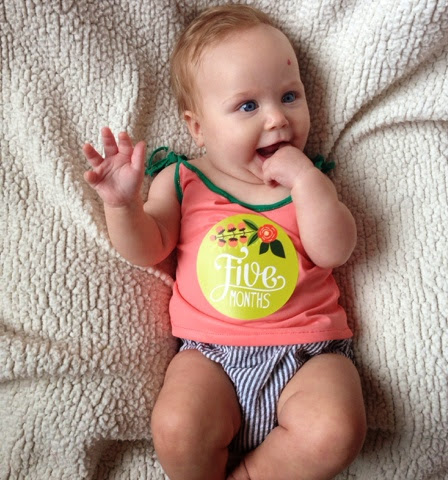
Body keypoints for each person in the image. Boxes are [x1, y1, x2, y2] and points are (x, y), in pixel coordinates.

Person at [83, 4, 366, 480]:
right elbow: (148, 249)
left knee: (336, 430)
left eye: (289, 96)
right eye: (248, 106)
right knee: (176, 428)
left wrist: (306, 181)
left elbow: (334, 251)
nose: (277, 119)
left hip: (308, 354)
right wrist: (122, 206)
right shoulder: (182, 180)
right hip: (209, 356)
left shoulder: (309, 185)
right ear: (198, 127)